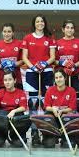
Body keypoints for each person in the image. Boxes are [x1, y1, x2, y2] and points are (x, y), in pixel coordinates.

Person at [21, 14, 56, 145]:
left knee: (46, 102)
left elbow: (52, 56)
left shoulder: (50, 38)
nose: (40, 23)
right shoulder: (27, 38)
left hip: (46, 71)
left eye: (42, 21)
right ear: (34, 23)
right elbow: (24, 57)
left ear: (45, 23)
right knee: (33, 103)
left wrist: (44, 65)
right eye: (37, 21)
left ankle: (46, 132)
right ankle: (35, 132)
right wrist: (33, 67)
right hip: (32, 72)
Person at [0, 71, 30, 147]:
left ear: (14, 80)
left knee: (19, 144)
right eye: (5, 80)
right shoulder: (0, 93)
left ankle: (14, 136)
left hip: (16, 118)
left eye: (10, 80)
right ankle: (1, 136)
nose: (7, 82)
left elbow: (23, 107)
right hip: (3, 118)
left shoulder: (21, 93)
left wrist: (14, 111)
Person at [55, 19, 79, 109]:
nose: (69, 30)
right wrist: (64, 63)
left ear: (74, 30)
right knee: (61, 95)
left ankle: (75, 114)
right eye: (67, 28)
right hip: (61, 75)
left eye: (72, 28)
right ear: (63, 29)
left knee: (76, 96)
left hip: (74, 74)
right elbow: (54, 60)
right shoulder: (57, 43)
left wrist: (74, 65)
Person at [42, 68, 77, 148]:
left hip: (65, 117)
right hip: (54, 116)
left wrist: (62, 111)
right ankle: (50, 136)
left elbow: (72, 108)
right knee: (48, 144)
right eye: (56, 78)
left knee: (70, 115)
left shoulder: (71, 90)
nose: (58, 79)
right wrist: (53, 109)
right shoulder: (50, 90)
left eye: (60, 77)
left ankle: (66, 137)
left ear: (65, 78)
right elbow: (46, 107)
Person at [0, 23, 23, 91]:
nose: (7, 34)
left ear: (13, 33)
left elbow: (22, 60)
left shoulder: (19, 44)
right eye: (5, 31)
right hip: (0, 80)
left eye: (9, 31)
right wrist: (3, 66)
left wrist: (13, 64)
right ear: (2, 32)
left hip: (16, 79)